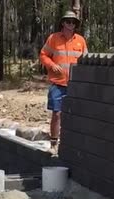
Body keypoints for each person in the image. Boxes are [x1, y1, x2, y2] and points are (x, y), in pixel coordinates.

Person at [40, 11, 87, 153]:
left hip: (75, 85)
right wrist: (51, 65)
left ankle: (73, 145)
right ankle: (54, 144)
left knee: (75, 114)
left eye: (73, 22)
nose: (70, 24)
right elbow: (43, 55)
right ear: (63, 23)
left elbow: (85, 60)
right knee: (57, 113)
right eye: (68, 21)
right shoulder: (53, 38)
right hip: (58, 84)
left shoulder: (81, 41)